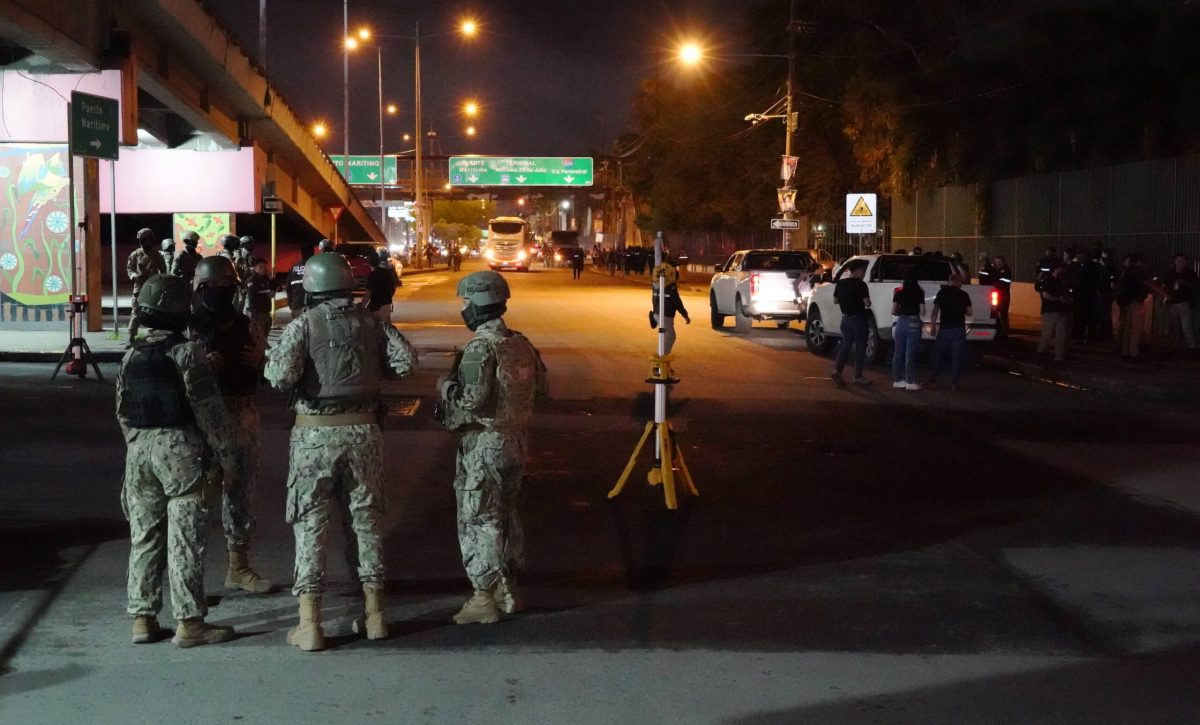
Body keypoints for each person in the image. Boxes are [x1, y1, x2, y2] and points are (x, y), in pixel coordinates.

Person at [264, 253, 417, 651]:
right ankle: (376, 616)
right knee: (365, 523)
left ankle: (310, 625)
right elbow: (405, 364)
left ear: (311, 287)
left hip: (314, 437)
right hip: (364, 433)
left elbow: (279, 377)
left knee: (310, 525)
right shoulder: (372, 323)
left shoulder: (303, 324)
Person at [116, 273, 237, 647]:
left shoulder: (131, 354)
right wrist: (226, 454)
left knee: (145, 536)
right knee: (185, 538)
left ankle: (143, 619)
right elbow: (208, 410)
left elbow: (122, 409)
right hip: (181, 451)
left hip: (139, 451)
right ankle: (190, 623)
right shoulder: (187, 353)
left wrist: (138, 445)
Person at [436, 270, 548, 624]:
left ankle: (483, 598)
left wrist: (446, 388)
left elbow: (471, 399)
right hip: (516, 441)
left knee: (480, 518)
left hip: (484, 444)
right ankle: (508, 590)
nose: (464, 309)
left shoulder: (480, 348)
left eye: (466, 301)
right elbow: (542, 389)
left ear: (480, 302)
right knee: (508, 516)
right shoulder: (521, 344)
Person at [188, 256, 272, 595]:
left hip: (241, 415)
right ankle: (189, 578)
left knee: (240, 495)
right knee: (195, 502)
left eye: (227, 286)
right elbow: (174, 375)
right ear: (200, 289)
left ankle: (238, 566)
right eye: (214, 286)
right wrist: (201, 366)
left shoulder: (246, 325)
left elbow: (272, 369)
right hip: (202, 424)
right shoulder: (189, 328)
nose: (221, 291)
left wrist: (260, 362)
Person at [927, 272, 973, 390]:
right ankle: (954, 384)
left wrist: (933, 326)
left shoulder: (942, 293)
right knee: (957, 357)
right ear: (959, 281)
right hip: (959, 329)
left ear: (950, 281)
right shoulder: (964, 295)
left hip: (945, 329)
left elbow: (935, 311)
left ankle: (932, 381)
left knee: (937, 355)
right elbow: (970, 312)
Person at [831, 259, 872, 387]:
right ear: (859, 270)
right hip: (859, 319)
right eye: (863, 271)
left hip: (845, 319)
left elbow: (835, 301)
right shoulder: (861, 285)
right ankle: (857, 376)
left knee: (845, 346)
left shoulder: (841, 283)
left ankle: (837, 370)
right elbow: (867, 303)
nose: (864, 274)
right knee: (860, 347)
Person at [126, 228, 167, 347]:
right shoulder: (135, 254)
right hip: (139, 287)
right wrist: (134, 276)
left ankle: (153, 336)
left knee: (154, 313)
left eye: (144, 240)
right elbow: (130, 268)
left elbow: (163, 271)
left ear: (150, 240)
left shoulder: (156, 255)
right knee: (136, 312)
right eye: (141, 240)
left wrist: (160, 281)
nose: (142, 242)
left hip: (153, 288)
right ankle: (131, 338)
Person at [891, 268, 926, 390]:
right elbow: (922, 311)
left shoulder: (899, 293)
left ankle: (897, 380)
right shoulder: (919, 292)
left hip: (901, 323)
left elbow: (893, 311)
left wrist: (901, 313)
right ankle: (909, 381)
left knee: (898, 353)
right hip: (913, 323)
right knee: (910, 354)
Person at [1155, 253, 1197, 352]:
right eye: (1179, 261)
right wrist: (1165, 295)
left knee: (1186, 327)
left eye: (1183, 261)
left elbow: (1195, 285)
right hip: (1173, 302)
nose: (1181, 263)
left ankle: (1192, 347)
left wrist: (1185, 284)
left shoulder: (1189, 273)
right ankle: (1176, 346)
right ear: (1175, 262)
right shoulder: (1170, 273)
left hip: (1184, 302)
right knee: (1175, 326)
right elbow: (1164, 285)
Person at [650, 256, 691, 354]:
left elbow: (654, 298)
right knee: (670, 335)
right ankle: (662, 356)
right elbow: (677, 302)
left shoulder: (656, 282)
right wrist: (685, 315)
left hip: (657, 313)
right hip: (665, 314)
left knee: (664, 334)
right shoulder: (670, 285)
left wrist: (655, 311)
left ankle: (661, 355)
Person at [1115, 253, 1151, 360]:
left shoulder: (1126, 271)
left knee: (1129, 327)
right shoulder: (1138, 272)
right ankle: (1134, 352)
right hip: (1136, 301)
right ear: (1139, 261)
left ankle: (1125, 351)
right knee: (1136, 328)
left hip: (1127, 302)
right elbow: (1145, 284)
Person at [1037, 262, 1072, 363]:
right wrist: (1059, 299)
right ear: (1057, 269)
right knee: (1047, 333)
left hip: (1060, 310)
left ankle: (1058, 355)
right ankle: (1040, 351)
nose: (1064, 271)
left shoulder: (1060, 280)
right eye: (1062, 269)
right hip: (1050, 311)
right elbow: (1045, 295)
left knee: (1061, 335)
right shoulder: (1049, 280)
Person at [364, 250, 399, 323]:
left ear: (369, 263)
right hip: (387, 305)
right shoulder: (387, 272)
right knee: (387, 326)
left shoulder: (372, 276)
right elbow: (393, 287)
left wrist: (361, 306)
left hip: (376, 307)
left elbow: (368, 294)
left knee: (368, 323)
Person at [243, 258, 274, 339]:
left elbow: (277, 287)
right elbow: (252, 298)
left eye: (265, 266)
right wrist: (266, 296)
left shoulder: (265, 279)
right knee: (257, 337)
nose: (263, 269)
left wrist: (271, 279)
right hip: (257, 313)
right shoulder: (252, 280)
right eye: (260, 267)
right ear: (254, 268)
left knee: (264, 336)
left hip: (266, 312)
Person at [287, 241, 317, 317]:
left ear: (301, 253)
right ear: (313, 253)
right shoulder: (316, 267)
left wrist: (291, 305)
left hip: (297, 306)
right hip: (313, 307)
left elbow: (289, 289)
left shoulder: (293, 268)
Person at [993, 255, 1013, 338]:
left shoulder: (1006, 270)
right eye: (996, 262)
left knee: (1003, 314)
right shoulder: (998, 270)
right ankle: (1002, 330)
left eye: (998, 262)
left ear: (1002, 262)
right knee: (999, 313)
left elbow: (1004, 282)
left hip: (1004, 295)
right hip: (999, 295)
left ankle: (1005, 331)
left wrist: (996, 279)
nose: (997, 264)